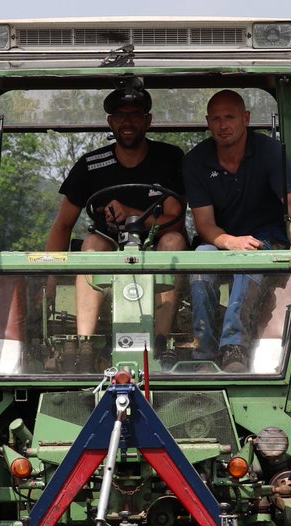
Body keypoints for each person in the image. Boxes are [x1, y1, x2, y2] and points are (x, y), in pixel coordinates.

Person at [44, 86, 186, 371]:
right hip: (109, 244)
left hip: (156, 243)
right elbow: (63, 225)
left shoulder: (169, 158)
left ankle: (159, 341)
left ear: (148, 121)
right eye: (120, 116)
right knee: (92, 246)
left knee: (173, 241)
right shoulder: (91, 166)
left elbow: (175, 216)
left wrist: (132, 213)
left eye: (135, 115)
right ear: (110, 122)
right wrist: (46, 282)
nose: (128, 122)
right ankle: (85, 345)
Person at [183, 90, 291, 372]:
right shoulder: (195, 161)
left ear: (246, 119)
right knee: (201, 256)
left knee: (252, 256)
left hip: (266, 241)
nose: (223, 125)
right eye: (216, 119)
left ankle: (234, 348)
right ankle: (204, 350)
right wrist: (230, 242)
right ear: (208, 123)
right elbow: (204, 226)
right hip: (221, 240)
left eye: (230, 117)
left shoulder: (271, 153)